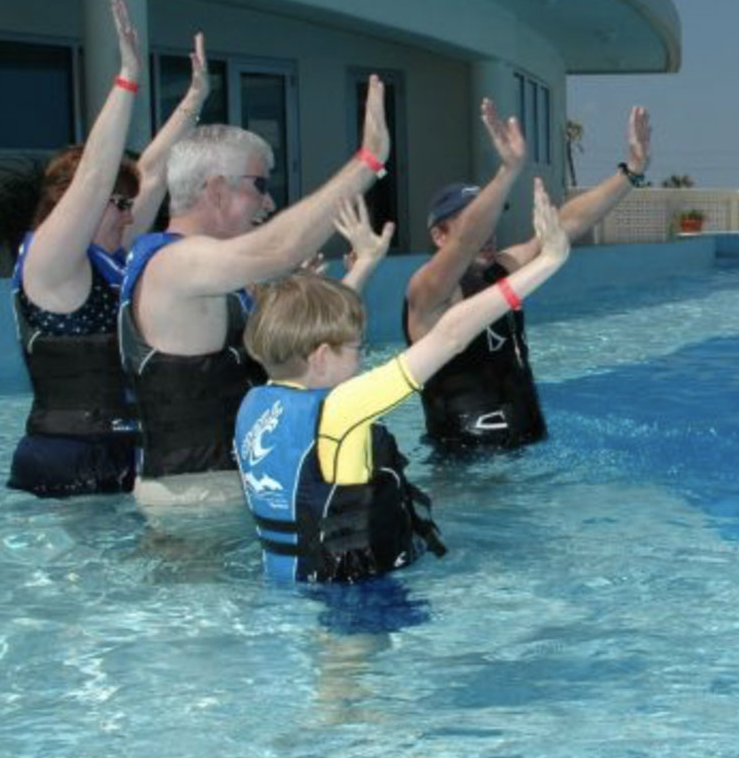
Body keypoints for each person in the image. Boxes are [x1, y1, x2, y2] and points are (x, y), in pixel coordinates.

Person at [236, 180, 572, 582]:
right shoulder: (343, 409)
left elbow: (307, 332)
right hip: (354, 599)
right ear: (322, 357)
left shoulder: (252, 404)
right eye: (357, 348)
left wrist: (365, 263)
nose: (361, 357)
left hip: (291, 580)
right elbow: (451, 333)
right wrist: (548, 262)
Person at [120, 73, 391, 504]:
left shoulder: (204, 273)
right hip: (196, 500)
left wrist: (364, 268)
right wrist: (369, 162)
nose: (268, 202)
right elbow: (282, 247)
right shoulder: (174, 264)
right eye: (259, 186)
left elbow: (298, 346)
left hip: (218, 491)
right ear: (216, 189)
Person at [6, 0, 210, 497]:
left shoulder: (110, 253)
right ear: (73, 203)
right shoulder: (52, 266)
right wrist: (127, 78)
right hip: (66, 462)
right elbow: (96, 176)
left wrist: (195, 98)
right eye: (117, 203)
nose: (129, 211)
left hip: (121, 454)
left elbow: (155, 172)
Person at [402, 102, 651, 452]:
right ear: (440, 236)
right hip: (467, 468)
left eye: (491, 219)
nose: (488, 230)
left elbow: (564, 226)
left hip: (528, 448)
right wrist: (507, 172)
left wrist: (631, 172)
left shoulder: (503, 267)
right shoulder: (427, 291)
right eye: (476, 219)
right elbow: (464, 242)